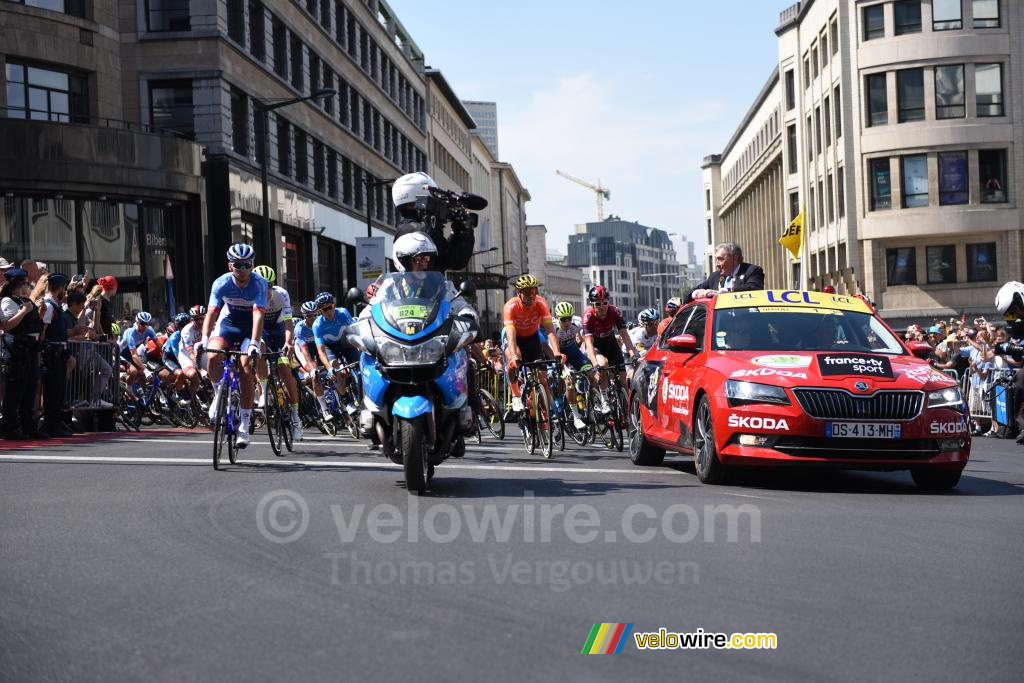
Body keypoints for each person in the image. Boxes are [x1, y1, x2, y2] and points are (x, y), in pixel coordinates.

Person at [196, 243, 268, 448]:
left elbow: (258, 316)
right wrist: (203, 338)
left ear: (252, 265)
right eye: (238, 265)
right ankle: (219, 395)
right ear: (230, 266)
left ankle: (244, 425)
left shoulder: (259, 283)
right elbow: (211, 313)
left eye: (247, 265)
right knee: (212, 355)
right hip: (228, 324)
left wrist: (254, 342)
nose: (243, 270)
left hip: (250, 328)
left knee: (246, 368)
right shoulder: (221, 283)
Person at [252, 265, 303, 442]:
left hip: (279, 329)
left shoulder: (281, 294)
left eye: (268, 286)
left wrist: (288, 343)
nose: (265, 290)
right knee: (260, 348)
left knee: (284, 367)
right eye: (261, 286)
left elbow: (289, 324)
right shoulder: (250, 295)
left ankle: (296, 417)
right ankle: (265, 390)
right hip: (262, 330)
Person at [391, 172, 475, 272]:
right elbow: (453, 260)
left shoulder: (406, 228)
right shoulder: (423, 229)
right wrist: (467, 232)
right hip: (424, 286)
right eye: (433, 198)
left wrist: (455, 233)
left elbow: (441, 251)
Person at [502, 273, 560, 413]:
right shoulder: (510, 307)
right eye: (527, 292)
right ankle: (516, 395)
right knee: (513, 359)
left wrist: (557, 352)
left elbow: (550, 331)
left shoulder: (541, 303)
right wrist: (514, 355)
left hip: (532, 338)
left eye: (534, 291)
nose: (531, 296)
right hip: (515, 338)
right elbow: (510, 334)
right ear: (518, 293)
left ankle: (547, 417)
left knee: (542, 380)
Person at [1, 269, 46, 439]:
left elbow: (36, 327)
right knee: (15, 390)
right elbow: (8, 325)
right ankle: (11, 427)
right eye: (26, 283)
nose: (29, 286)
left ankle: (29, 426)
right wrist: (24, 311)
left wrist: (39, 314)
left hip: (30, 349)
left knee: (30, 389)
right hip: (17, 351)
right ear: (18, 285)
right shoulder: (8, 301)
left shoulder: (26, 301)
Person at [581, 285, 637, 413]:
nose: (602, 307)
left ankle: (630, 410)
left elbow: (624, 335)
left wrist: (632, 354)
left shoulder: (614, 312)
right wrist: (595, 364)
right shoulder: (588, 316)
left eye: (605, 303)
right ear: (592, 304)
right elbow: (588, 343)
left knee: (623, 378)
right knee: (603, 365)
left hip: (611, 343)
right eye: (598, 304)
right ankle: (605, 399)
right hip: (595, 346)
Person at [39, 273, 74, 437]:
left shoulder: (56, 305)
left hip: (59, 353)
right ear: (59, 288)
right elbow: (43, 330)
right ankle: (51, 425)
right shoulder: (49, 306)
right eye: (64, 289)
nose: (65, 292)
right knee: (53, 391)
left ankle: (55, 422)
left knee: (58, 390)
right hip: (52, 353)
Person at [552, 301, 596, 430]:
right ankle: (576, 416)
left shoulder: (576, 322)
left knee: (591, 372)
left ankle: (594, 401)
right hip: (559, 355)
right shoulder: (554, 329)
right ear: (557, 318)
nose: (567, 322)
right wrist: (565, 369)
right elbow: (557, 354)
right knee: (568, 381)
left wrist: (589, 355)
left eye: (569, 319)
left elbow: (585, 340)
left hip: (573, 352)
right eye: (563, 319)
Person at [994, 281, 1024, 442]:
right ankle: (1023, 427)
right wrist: (1009, 349)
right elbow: (1018, 353)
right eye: (1009, 314)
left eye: (1014, 310)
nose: (1015, 315)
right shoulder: (1018, 324)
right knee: (1020, 380)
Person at [294, 299, 332, 421]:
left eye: (315, 314)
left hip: (317, 345)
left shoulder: (321, 323)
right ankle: (324, 409)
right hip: (304, 349)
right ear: (304, 316)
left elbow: (327, 345)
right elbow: (304, 352)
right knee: (314, 374)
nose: (313, 318)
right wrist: (312, 369)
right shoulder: (300, 329)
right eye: (309, 316)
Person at [686, 242, 765, 302]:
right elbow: (688, 295)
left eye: (720, 259)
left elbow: (755, 289)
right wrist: (697, 293)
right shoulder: (714, 277)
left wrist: (727, 291)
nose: (717, 264)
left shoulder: (752, 271)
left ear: (734, 258)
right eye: (716, 259)